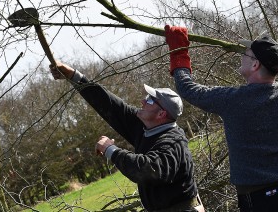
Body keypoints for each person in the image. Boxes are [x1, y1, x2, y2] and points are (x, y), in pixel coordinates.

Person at [164, 25, 278, 212]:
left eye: (246, 54)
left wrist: (179, 50)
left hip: (258, 202)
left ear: (255, 64)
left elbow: (187, 88)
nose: (241, 56)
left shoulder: (231, 99)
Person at [50, 61, 203, 212]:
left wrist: (111, 150)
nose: (143, 101)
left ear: (161, 114)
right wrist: (73, 75)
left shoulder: (173, 143)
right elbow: (108, 103)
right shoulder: (145, 126)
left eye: (150, 100)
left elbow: (147, 170)